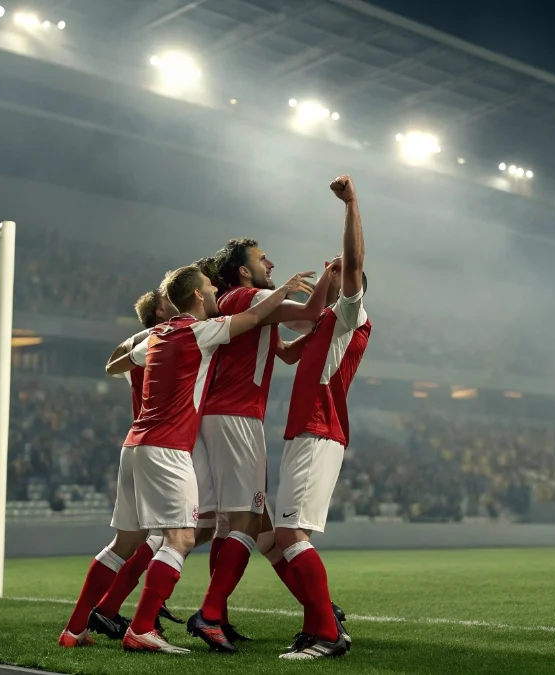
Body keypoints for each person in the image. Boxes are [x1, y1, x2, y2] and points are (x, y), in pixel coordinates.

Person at [58, 265, 310, 654]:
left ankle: (74, 630)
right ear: (196, 296)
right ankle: (142, 629)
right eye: (209, 288)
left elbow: (113, 364)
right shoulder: (200, 332)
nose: (214, 293)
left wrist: (146, 333)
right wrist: (286, 289)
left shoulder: (157, 335)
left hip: (134, 446)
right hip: (168, 449)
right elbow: (257, 316)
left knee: (122, 544)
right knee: (181, 538)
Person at [187, 239, 333, 650]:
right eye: (260, 257)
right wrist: (329, 278)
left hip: (216, 416)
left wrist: (318, 331)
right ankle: (211, 612)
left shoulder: (238, 300)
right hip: (237, 417)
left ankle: (223, 617)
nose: (270, 261)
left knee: (229, 523)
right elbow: (309, 314)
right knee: (250, 522)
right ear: (244, 271)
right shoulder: (254, 295)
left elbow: (285, 352)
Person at [269, 174, 370, 660]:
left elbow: (354, 264)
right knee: (271, 540)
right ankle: (323, 620)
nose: (330, 272)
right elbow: (282, 351)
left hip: (320, 429)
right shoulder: (323, 324)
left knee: (291, 534)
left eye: (337, 270)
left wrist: (351, 205)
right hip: (300, 432)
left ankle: (325, 633)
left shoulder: (350, 315)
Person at [86, 290, 186, 640]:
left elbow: (112, 362)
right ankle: (122, 611)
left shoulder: (144, 351)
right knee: (170, 535)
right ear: (161, 311)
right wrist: (146, 332)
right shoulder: (165, 346)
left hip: (142, 445)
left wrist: (139, 334)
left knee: (151, 536)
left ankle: (112, 611)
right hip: (165, 445)